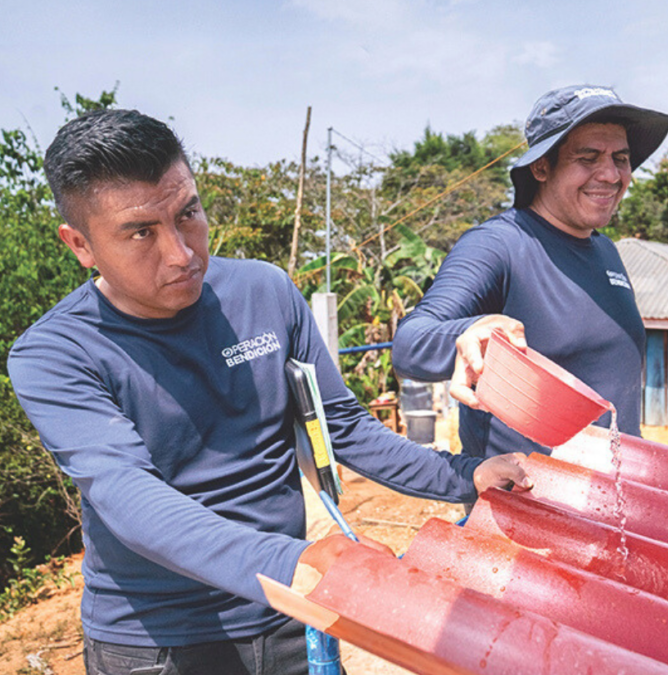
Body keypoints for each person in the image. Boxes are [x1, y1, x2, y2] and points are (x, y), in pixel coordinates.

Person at [6, 109, 528, 675]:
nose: (181, 253)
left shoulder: (265, 292)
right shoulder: (56, 353)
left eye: (189, 214)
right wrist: (298, 560)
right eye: (140, 233)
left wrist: (465, 474)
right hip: (158, 641)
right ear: (80, 245)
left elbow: (343, 428)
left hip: (286, 613)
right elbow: (129, 498)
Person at [392, 85, 668, 461]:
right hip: (523, 506)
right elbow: (410, 342)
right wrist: (470, 332)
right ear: (541, 167)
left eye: (620, 158)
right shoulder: (499, 245)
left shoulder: (605, 250)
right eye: (588, 158)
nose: (610, 174)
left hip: (611, 501)